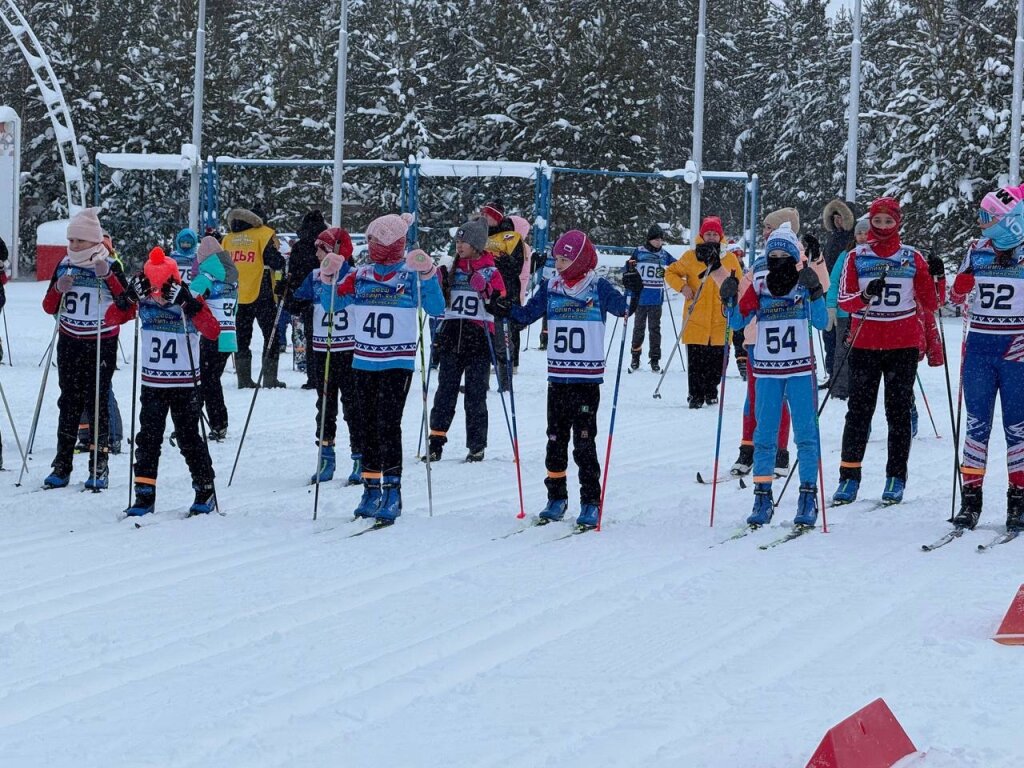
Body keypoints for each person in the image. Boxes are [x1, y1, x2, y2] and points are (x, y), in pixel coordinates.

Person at [490, 229, 642, 529]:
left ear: (580, 259)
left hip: (586, 380)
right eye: (557, 259)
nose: (558, 264)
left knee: (584, 443)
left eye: (564, 259)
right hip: (558, 378)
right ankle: (556, 497)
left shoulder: (596, 286)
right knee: (555, 440)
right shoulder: (552, 286)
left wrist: (634, 289)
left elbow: (624, 309)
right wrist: (504, 309)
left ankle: (590, 501)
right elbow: (524, 316)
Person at [321, 212, 445, 525]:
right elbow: (331, 305)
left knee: (388, 425)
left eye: (378, 240)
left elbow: (436, 309)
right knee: (366, 426)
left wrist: (429, 274)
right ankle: (371, 487)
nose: (375, 245)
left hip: (396, 363)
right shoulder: (361, 274)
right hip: (363, 361)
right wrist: (328, 278)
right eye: (372, 240)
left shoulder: (409, 273)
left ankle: (392, 490)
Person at [833, 197, 943, 505]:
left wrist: (938, 276)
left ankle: (896, 477)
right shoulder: (857, 256)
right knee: (858, 412)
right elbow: (845, 301)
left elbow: (932, 302)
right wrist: (866, 294)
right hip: (865, 343)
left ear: (897, 223)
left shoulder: (912, 257)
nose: (882, 227)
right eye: (877, 221)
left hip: (902, 345)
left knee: (897, 413)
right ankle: (849, 476)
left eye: (888, 222)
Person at [722, 223, 829, 527]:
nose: (778, 259)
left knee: (806, 436)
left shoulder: (803, 283)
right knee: (764, 435)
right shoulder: (759, 283)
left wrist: (816, 292)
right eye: (773, 254)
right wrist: (727, 298)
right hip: (767, 370)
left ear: (795, 256)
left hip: (799, 370)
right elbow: (738, 320)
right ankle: (762, 495)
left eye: (784, 254)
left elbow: (821, 323)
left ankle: (808, 496)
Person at [108, 247, 221, 517]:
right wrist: (126, 299)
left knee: (188, 437)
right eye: (153, 288)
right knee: (148, 439)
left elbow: (213, 331)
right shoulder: (144, 300)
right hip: (153, 382)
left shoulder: (187, 297)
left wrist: (190, 305)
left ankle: (205, 488)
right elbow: (111, 318)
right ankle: (144, 495)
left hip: (184, 384)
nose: (158, 296)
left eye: (162, 289)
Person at [948, 185, 1024, 532]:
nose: (982, 224)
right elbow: (955, 294)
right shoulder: (976, 249)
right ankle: (971, 500)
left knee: (1017, 428)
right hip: (979, 346)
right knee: (977, 426)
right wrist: (961, 283)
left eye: (988, 217)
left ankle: (1018, 499)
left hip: (1016, 349)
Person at [41, 208, 129, 490]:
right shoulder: (65, 263)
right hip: (69, 339)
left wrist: (109, 279)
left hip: (100, 341)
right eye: (72, 240)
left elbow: (128, 308)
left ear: (93, 241)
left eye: (80, 240)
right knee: (68, 402)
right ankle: (62, 464)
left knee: (97, 403)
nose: (74, 246)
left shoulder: (110, 264)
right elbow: (48, 307)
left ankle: (98, 465)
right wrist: (57, 289)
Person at [425, 218, 507, 463]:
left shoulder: (490, 270)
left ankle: (476, 445)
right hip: (451, 335)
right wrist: (436, 283)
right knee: (445, 392)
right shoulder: (452, 266)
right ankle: (436, 442)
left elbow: (500, 303)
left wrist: (486, 291)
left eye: (465, 242)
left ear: (477, 245)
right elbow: (440, 301)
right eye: (458, 241)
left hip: (479, 337)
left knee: (475, 394)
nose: (460, 246)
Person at [289, 226, 363, 485]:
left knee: (353, 407)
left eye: (322, 249)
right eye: (317, 249)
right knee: (325, 406)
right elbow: (298, 301)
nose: (317, 253)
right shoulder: (315, 276)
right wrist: (289, 295)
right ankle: (326, 456)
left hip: (349, 350)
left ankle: (360, 457)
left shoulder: (354, 275)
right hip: (322, 349)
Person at [664, 216, 742, 408]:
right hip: (696, 319)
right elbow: (670, 272)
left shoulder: (730, 259)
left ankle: (711, 390)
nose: (711, 237)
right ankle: (695, 395)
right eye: (708, 233)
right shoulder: (690, 257)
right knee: (696, 362)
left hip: (720, 320)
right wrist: (682, 287)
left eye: (715, 234)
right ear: (702, 235)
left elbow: (739, 283)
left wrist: (733, 295)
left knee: (717, 363)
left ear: (720, 236)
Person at [221, 207, 287, 388]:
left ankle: (243, 379)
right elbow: (275, 261)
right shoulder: (263, 234)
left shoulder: (228, 239)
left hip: (236, 293)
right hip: (262, 291)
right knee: (271, 334)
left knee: (242, 337)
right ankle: (270, 379)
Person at [188, 236, 239, 441]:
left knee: (203, 380)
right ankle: (217, 422)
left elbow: (188, 298)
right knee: (211, 380)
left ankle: (197, 421)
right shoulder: (232, 279)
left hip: (212, 336)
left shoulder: (206, 276)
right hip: (229, 336)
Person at [481, 200, 526, 389]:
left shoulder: (512, 237)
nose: (483, 217)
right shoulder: (479, 233)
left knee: (502, 340)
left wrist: (499, 260)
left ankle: (505, 382)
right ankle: (480, 382)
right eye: (482, 213)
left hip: (503, 294)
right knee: (481, 341)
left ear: (497, 217)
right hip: (482, 292)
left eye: (487, 214)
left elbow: (517, 267)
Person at [825, 216, 869, 400]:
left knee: (865, 354)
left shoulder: (877, 255)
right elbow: (834, 281)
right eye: (859, 233)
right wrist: (831, 306)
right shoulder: (846, 255)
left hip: (869, 314)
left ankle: (862, 386)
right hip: (846, 312)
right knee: (842, 351)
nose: (862, 236)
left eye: (866, 233)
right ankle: (839, 388)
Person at [284, 210, 328, 389]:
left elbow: (292, 273)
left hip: (305, 296)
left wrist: (292, 297)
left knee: (311, 338)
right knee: (330, 338)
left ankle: (313, 377)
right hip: (326, 294)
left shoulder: (299, 246)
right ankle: (329, 374)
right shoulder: (327, 244)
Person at [626, 224, 676, 372]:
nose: (658, 242)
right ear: (649, 239)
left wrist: (667, 273)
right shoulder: (640, 251)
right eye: (656, 240)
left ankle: (655, 359)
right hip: (640, 297)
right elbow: (629, 266)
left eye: (661, 240)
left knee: (655, 329)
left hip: (656, 298)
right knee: (638, 328)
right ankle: (635, 357)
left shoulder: (664, 254)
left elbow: (676, 265)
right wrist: (629, 274)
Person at [820, 200, 856, 385]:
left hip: (847, 295)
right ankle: (832, 373)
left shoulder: (854, 239)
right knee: (829, 336)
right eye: (834, 218)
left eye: (841, 218)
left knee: (844, 339)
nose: (838, 222)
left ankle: (844, 377)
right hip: (829, 293)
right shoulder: (832, 238)